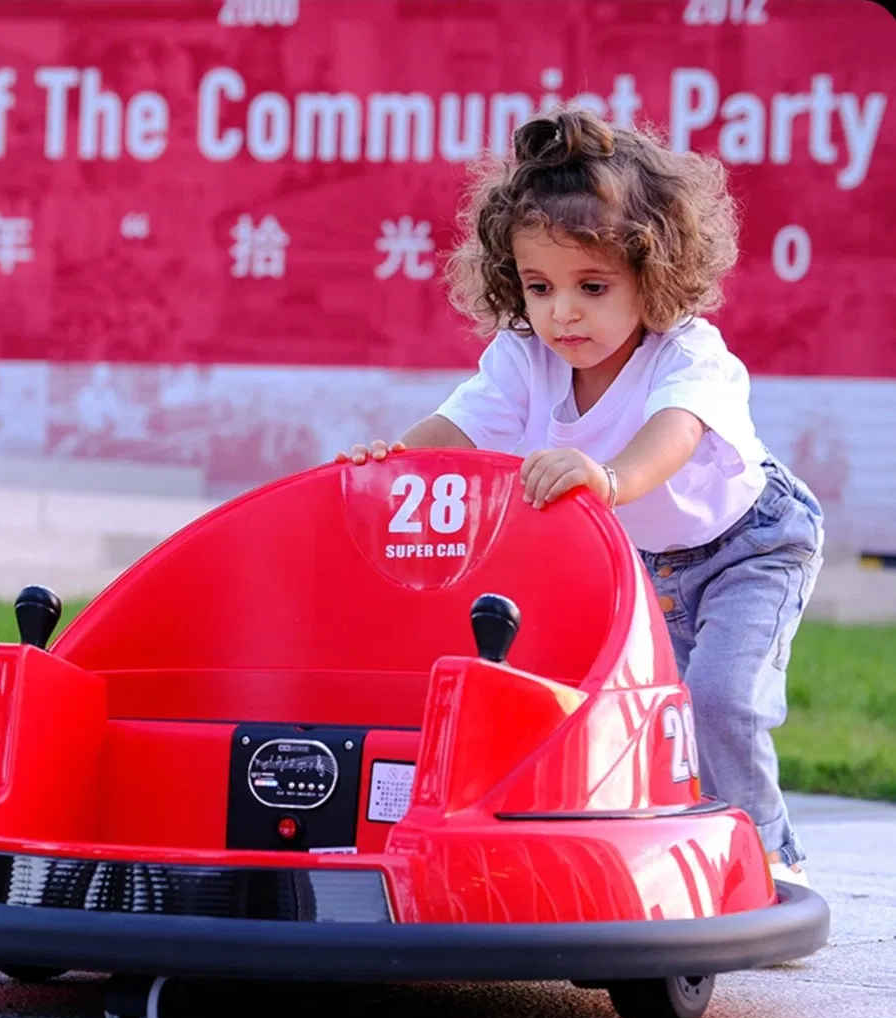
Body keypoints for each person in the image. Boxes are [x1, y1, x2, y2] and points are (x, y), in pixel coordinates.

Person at [337, 106, 824, 888]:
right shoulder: (524, 358)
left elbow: (677, 430)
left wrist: (610, 479)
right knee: (635, 713)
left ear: (651, 273)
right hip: (635, 558)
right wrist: (391, 463)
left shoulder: (688, 351)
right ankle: (674, 848)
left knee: (720, 701)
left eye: (592, 286)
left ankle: (766, 859)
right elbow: (459, 429)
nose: (563, 311)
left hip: (748, 547)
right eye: (539, 286)